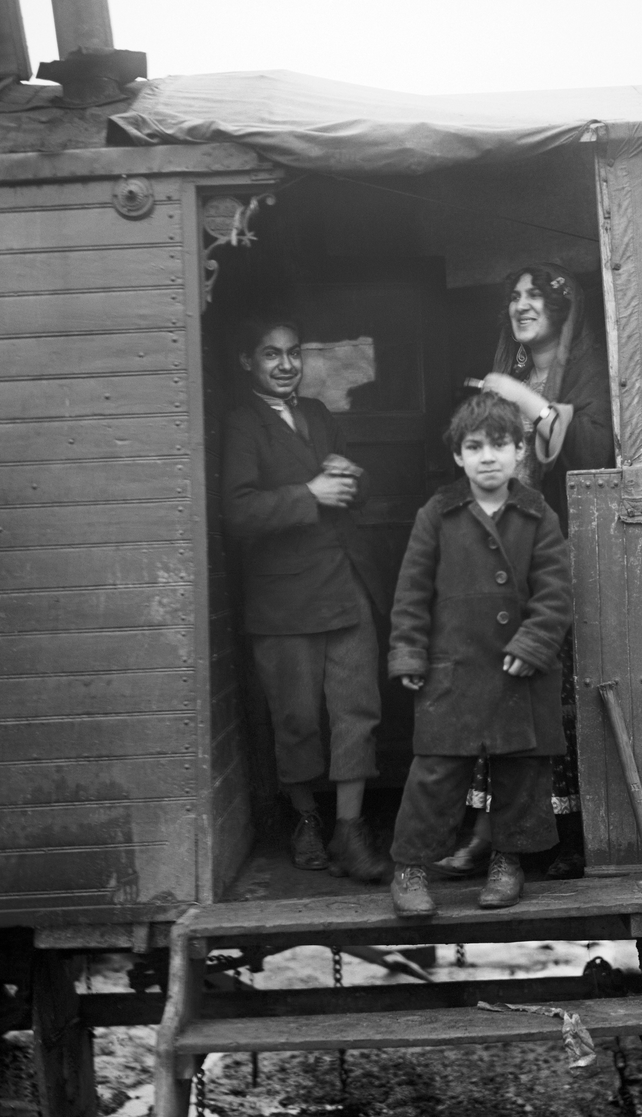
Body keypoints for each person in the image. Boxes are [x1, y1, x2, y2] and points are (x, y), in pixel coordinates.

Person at [435, 263, 614, 881]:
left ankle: (570, 835)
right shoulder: (502, 374)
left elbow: (595, 449)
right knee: (494, 686)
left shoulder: (585, 371)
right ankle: (491, 831)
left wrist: (526, 402)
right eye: (514, 296)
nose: (522, 304)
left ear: (563, 309)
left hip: (566, 551)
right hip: (502, 550)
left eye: (536, 295)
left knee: (557, 697)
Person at [388, 393, 572, 918]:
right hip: (455, 671)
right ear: (458, 457)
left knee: (520, 772)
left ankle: (506, 862)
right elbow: (412, 591)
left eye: (499, 445)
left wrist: (534, 643)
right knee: (436, 773)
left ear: (520, 452)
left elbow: (556, 593)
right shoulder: (438, 515)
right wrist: (409, 654)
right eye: (474, 447)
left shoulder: (538, 516)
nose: (487, 457)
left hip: (520, 673)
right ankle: (410, 869)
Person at [222, 312, 390, 883]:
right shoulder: (242, 425)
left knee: (356, 712)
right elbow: (238, 512)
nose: (286, 364)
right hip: (282, 598)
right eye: (271, 354)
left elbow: (354, 490)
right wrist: (309, 492)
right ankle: (305, 819)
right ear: (249, 362)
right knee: (294, 718)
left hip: (343, 585)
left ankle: (349, 828)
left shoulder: (318, 414)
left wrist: (353, 476)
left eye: (293, 353)